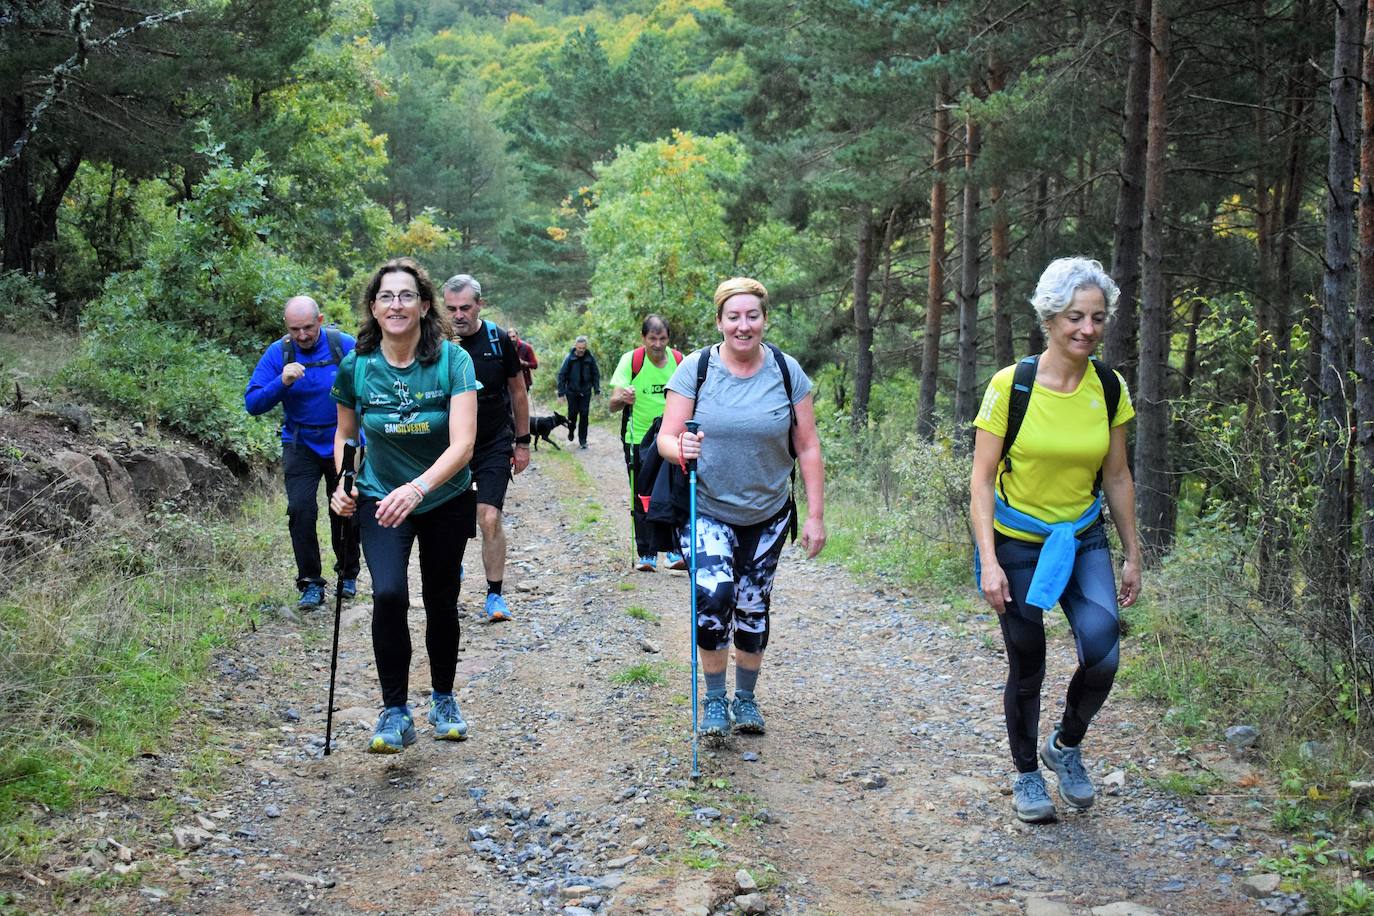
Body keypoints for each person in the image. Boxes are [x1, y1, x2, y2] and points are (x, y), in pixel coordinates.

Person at [969, 256, 1142, 823]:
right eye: (1074, 317)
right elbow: (981, 480)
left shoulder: (1109, 387)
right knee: (1029, 661)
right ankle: (1025, 775)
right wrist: (989, 562)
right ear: (1050, 318)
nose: (1087, 330)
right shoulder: (1011, 386)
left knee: (1103, 649)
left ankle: (1065, 746)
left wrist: (1133, 554)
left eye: (1096, 318)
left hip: (1083, 537)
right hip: (1018, 540)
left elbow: (1116, 476)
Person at [657, 278, 826, 738]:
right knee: (715, 597)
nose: (743, 325)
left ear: (765, 320)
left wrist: (814, 516)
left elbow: (807, 446)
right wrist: (682, 448)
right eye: (734, 316)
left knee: (753, 607)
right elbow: (666, 438)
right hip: (706, 506)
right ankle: (714, 700)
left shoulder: (788, 373)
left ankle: (746, 699)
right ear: (720, 321)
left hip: (768, 513)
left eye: (752, 316)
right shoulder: (697, 369)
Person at [329, 258, 480, 754]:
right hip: (379, 496)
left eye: (407, 295)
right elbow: (346, 433)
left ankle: (443, 698)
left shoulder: (454, 361)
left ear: (424, 305)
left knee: (441, 599)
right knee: (389, 594)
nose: (397, 305)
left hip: (444, 498)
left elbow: (463, 446)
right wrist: (344, 482)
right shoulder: (357, 366)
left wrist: (418, 488)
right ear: (373, 308)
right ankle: (395, 710)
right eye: (387, 297)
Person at [245, 295, 361, 611]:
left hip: (347, 441)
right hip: (300, 443)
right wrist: (281, 381)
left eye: (308, 328)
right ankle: (310, 583)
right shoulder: (279, 352)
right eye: (295, 329)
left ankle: (348, 574)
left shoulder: (343, 345)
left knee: (346, 505)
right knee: (300, 510)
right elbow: (253, 403)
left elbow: (372, 387)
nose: (303, 336)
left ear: (320, 320)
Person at [442, 275, 531, 623]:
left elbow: (518, 392)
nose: (458, 315)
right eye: (451, 308)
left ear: (480, 304)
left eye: (465, 307)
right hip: (449, 443)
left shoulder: (497, 340)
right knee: (450, 520)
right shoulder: (436, 343)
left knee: (489, 516)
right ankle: (452, 570)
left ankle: (494, 594)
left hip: (493, 440)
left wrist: (522, 442)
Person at [608, 315, 686, 572]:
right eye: (652, 338)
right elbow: (612, 405)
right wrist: (623, 397)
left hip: (672, 435)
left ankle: (675, 552)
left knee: (675, 491)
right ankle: (647, 553)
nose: (657, 344)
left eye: (662, 338)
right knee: (643, 493)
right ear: (643, 338)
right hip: (638, 437)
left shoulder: (678, 361)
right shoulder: (632, 361)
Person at [556, 335, 600, 449]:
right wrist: (561, 393)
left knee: (584, 415)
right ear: (576, 346)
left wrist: (597, 390)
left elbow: (595, 374)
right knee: (572, 415)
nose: (581, 350)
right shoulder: (569, 358)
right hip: (572, 392)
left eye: (583, 348)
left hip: (585, 392)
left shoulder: (590, 358)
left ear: (586, 347)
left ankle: (582, 440)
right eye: (579, 348)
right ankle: (571, 431)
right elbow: (562, 375)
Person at [508, 326, 538, 392]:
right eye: (510, 337)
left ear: (517, 336)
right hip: (510, 383)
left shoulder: (526, 347)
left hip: (524, 381)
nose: (512, 339)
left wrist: (523, 363)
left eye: (513, 336)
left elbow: (535, 364)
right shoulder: (505, 348)